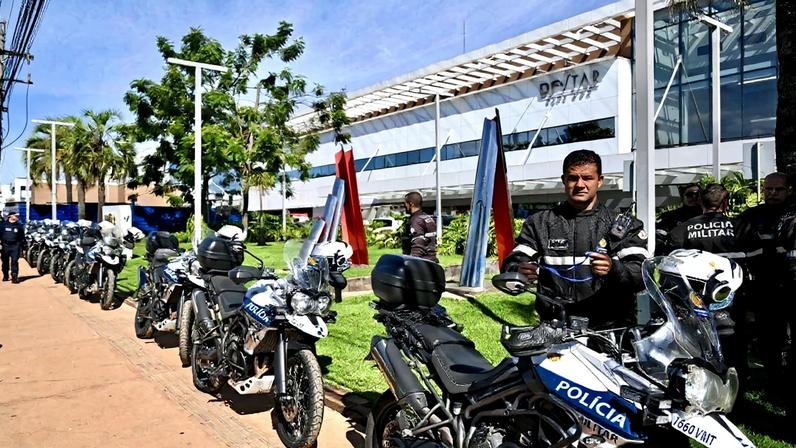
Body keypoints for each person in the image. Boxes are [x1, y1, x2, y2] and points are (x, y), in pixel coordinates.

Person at [502, 150, 649, 328]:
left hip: (609, 329)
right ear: (564, 180)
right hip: (554, 327)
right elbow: (513, 262)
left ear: (600, 181)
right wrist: (519, 269)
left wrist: (614, 268)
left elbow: (643, 275)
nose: (580, 184)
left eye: (587, 178)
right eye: (573, 178)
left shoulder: (625, 226)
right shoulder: (539, 223)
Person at [669, 184, 743, 374]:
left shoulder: (682, 230)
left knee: (700, 345)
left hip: (696, 303)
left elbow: (671, 265)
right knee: (736, 344)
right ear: (726, 203)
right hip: (736, 299)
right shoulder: (741, 227)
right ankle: (737, 382)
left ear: (700, 201)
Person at [735, 172, 791, 388]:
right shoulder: (750, 217)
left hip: (789, 284)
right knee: (769, 336)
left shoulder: (792, 214)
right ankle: (774, 379)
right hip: (762, 287)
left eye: (778, 190)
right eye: (768, 189)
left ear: (789, 190)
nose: (773, 194)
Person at [655, 183, 702, 255]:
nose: (694, 197)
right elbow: (658, 237)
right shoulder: (670, 216)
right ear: (683, 197)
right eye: (690, 195)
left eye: (698, 194)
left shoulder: (708, 216)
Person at [401, 192, 439, 263]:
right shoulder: (427, 218)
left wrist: (411, 263)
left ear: (411, 204)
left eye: (405, 203)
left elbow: (418, 246)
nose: (404, 206)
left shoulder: (416, 221)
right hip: (431, 261)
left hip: (421, 264)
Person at [1, 211, 25, 283]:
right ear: (10, 216)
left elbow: (22, 236)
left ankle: (14, 276)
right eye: (15, 216)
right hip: (5, 246)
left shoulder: (19, 226)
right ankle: (5, 275)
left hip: (15, 246)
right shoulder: (3, 225)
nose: (17, 217)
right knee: (5, 262)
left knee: (14, 261)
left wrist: (21, 246)